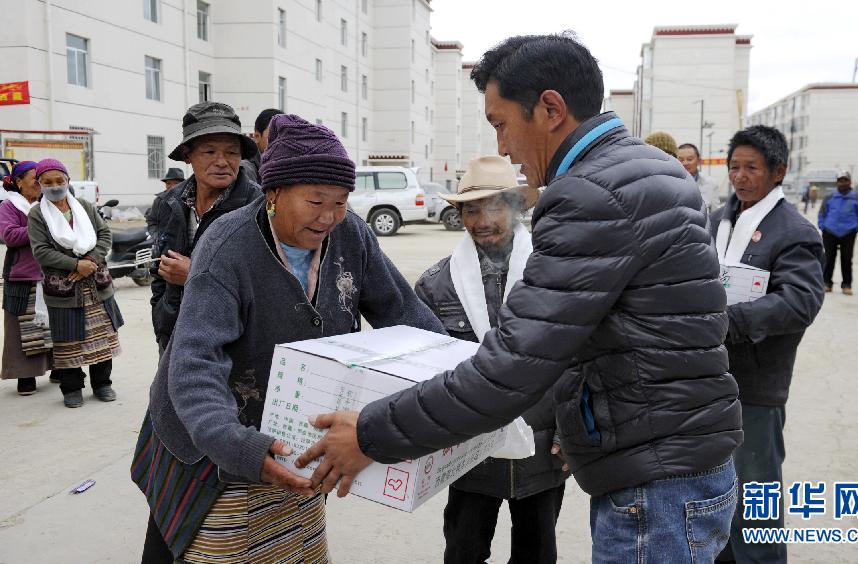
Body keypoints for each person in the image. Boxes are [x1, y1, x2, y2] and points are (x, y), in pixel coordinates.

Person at [296, 33, 743, 563]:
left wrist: (370, 432)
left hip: (656, 483)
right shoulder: (655, 170)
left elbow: (513, 366)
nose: (503, 147)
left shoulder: (590, 194)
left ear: (550, 109)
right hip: (680, 463)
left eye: (501, 124)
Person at [132, 114, 444, 563]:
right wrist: (235, 445)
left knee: (289, 545)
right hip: (212, 432)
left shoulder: (350, 233)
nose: (330, 217)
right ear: (273, 194)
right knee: (210, 544)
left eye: (340, 201)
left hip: (293, 429)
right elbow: (196, 363)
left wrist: (455, 374)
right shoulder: (227, 246)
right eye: (316, 201)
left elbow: (404, 312)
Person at [415, 155, 567, 564]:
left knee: (536, 554)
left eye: (495, 205)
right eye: (471, 209)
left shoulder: (553, 274)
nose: (483, 220)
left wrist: (568, 431)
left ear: (517, 208)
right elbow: (424, 372)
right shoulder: (436, 284)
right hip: (469, 450)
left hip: (541, 450)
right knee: (463, 552)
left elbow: (579, 358)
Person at [709, 126, 825, 563]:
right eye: (734, 166)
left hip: (756, 385)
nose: (740, 177)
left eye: (752, 168)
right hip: (710, 378)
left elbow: (800, 302)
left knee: (756, 495)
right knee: (715, 490)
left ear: (778, 172)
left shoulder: (793, 231)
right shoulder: (718, 219)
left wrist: (728, 322)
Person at [150, 102, 261, 353]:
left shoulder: (259, 208)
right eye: (209, 152)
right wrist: (162, 323)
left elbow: (269, 286)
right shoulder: (169, 203)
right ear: (188, 156)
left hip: (235, 344)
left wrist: (195, 275)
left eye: (231, 153)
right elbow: (159, 270)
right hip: (175, 337)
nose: (222, 162)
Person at [28, 159, 123, 408]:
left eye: (60, 180)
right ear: (40, 185)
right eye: (48, 182)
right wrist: (75, 265)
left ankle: (103, 384)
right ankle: (72, 389)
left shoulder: (84, 206)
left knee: (102, 336)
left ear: (68, 181)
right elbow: (41, 252)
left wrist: (90, 260)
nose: (55, 186)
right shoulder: (38, 214)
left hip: (96, 284)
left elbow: (104, 234)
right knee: (68, 341)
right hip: (65, 289)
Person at [1, 161, 54, 395]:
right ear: (18, 182)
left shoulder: (49, 203)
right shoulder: (9, 206)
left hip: (51, 272)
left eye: (39, 177)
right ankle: (25, 376)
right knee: (21, 328)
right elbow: (10, 236)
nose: (37, 182)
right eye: (33, 177)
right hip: (22, 276)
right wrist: (41, 224)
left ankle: (59, 369)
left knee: (53, 325)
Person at [818, 171, 858, 295]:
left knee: (847, 259)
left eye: (845, 180)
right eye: (840, 180)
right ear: (837, 182)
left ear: (850, 182)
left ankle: (847, 285)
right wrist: (822, 226)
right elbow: (822, 213)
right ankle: (826, 283)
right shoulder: (829, 197)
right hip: (829, 231)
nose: (843, 183)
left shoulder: (857, 198)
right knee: (828, 259)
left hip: (849, 232)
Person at [240, 108, 284, 183]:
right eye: (274, 135)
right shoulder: (246, 169)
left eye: (284, 135)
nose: (281, 141)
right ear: (257, 136)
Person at [145, 167, 185, 242]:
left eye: (176, 183)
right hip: (163, 242)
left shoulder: (188, 200)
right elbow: (152, 221)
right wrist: (156, 236)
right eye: (168, 183)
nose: (172, 186)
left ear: (183, 184)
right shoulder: (159, 201)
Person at [678, 142, 721, 210]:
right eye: (681, 160)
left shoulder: (711, 184)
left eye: (690, 159)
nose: (685, 163)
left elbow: (715, 213)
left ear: (698, 161)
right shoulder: (670, 184)